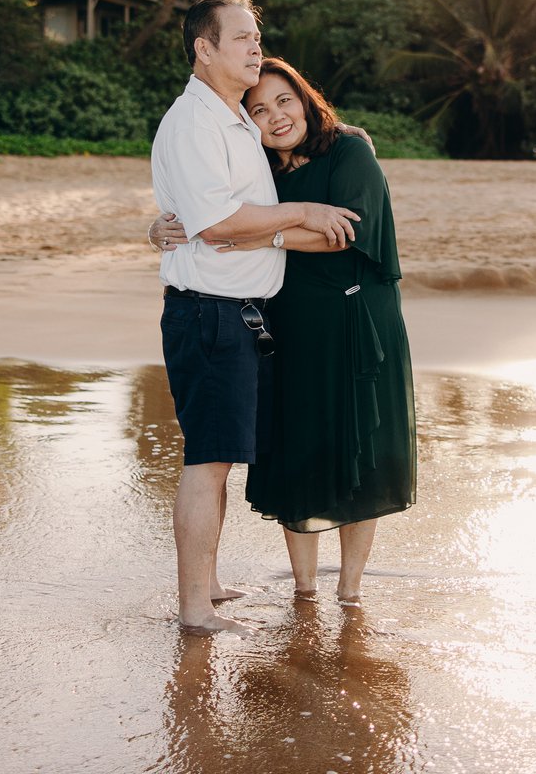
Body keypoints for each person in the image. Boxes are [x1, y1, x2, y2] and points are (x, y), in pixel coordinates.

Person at [152, 59, 416, 607]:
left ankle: (348, 591)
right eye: (259, 109)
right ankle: (302, 592)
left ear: (305, 97)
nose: (275, 117)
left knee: (356, 451)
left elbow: (345, 234)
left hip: (354, 319)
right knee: (297, 448)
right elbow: (214, 213)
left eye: (284, 101)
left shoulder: (348, 149)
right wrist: (162, 225)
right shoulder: (261, 168)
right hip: (286, 322)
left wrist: (266, 240)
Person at [150, 0, 360, 635]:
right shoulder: (196, 122)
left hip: (235, 314)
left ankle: (206, 586)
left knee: (216, 456)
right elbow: (216, 224)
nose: (255, 47)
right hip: (210, 314)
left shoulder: (234, 119)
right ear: (203, 49)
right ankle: (192, 610)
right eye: (241, 37)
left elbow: (207, 214)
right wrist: (302, 215)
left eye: (257, 35)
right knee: (207, 461)